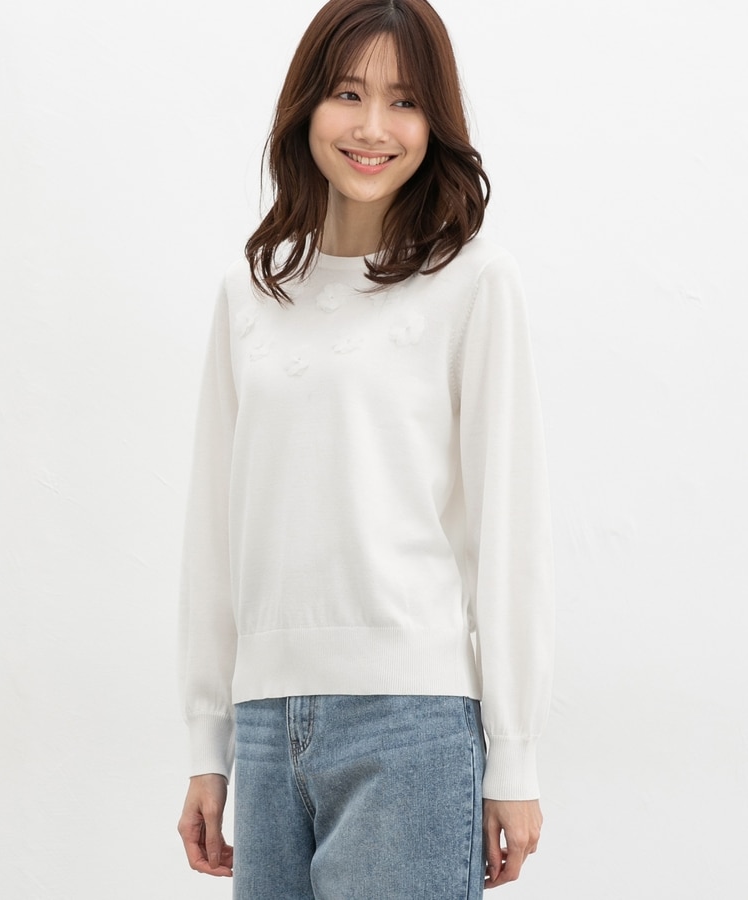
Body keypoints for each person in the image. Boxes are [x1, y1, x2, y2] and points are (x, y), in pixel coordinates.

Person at [177, 1, 554, 896]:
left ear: (436, 122)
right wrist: (206, 743)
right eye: (349, 94)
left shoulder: (473, 281)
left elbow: (509, 530)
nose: (374, 127)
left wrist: (514, 755)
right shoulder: (250, 292)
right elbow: (214, 528)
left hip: (411, 725)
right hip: (262, 726)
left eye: (406, 101)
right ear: (306, 106)